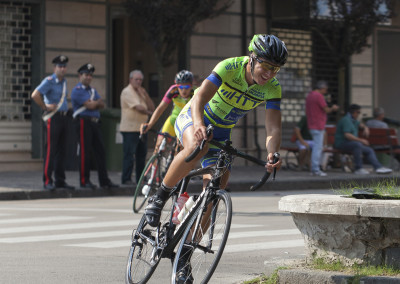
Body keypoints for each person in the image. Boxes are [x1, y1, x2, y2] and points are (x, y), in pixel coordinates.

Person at [144, 34, 288, 282]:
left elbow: (273, 128)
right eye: (265, 65)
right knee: (196, 148)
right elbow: (199, 97)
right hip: (195, 115)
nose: (269, 73)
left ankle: (183, 259)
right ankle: (159, 198)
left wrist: (272, 152)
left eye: (275, 69)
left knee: (217, 188)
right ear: (252, 58)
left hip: (221, 132)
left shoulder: (272, 88)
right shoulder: (229, 67)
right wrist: (199, 124)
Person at [71, 63, 119, 190]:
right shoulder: (77, 90)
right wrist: (94, 103)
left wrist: (94, 103)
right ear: (80, 75)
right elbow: (90, 106)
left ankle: (104, 180)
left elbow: (101, 104)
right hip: (83, 121)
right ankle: (84, 180)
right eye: (86, 75)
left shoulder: (92, 91)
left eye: (90, 75)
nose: (88, 77)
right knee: (85, 152)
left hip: (95, 122)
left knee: (100, 152)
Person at [31, 55, 75, 191]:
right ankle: (47, 181)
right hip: (53, 118)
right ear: (54, 68)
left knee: (62, 150)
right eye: (59, 66)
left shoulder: (64, 82)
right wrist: (45, 106)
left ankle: (60, 180)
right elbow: (35, 95)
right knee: (51, 150)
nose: (62, 69)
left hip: (63, 118)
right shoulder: (49, 81)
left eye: (64, 66)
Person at [140, 70, 194, 153]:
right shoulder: (173, 90)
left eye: (186, 87)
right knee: (158, 146)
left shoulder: (195, 92)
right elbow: (161, 108)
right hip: (173, 120)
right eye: (180, 87)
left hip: (186, 124)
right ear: (176, 85)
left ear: (191, 86)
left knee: (180, 151)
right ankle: (154, 166)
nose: (183, 90)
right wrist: (150, 124)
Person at [334, 104, 392, 175]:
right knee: (357, 145)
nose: (359, 114)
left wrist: (365, 127)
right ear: (354, 112)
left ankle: (378, 167)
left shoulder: (353, 120)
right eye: (358, 112)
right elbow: (347, 135)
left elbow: (360, 124)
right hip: (342, 143)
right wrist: (361, 140)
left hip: (351, 143)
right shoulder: (346, 120)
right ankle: (358, 168)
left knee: (369, 150)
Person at [120, 70, 155, 185]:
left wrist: (144, 94)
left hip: (142, 128)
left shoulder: (141, 91)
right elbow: (139, 107)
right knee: (129, 155)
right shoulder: (127, 91)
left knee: (141, 155)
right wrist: (149, 112)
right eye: (136, 79)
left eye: (140, 80)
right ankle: (126, 179)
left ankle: (140, 179)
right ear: (131, 80)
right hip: (130, 129)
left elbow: (152, 106)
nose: (139, 82)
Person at [305, 80, 339, 176]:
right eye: (325, 89)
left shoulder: (309, 96)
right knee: (318, 148)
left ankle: (314, 169)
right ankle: (315, 169)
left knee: (316, 147)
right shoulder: (319, 96)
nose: (326, 91)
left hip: (311, 124)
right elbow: (326, 109)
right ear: (322, 88)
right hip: (318, 125)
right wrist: (333, 108)